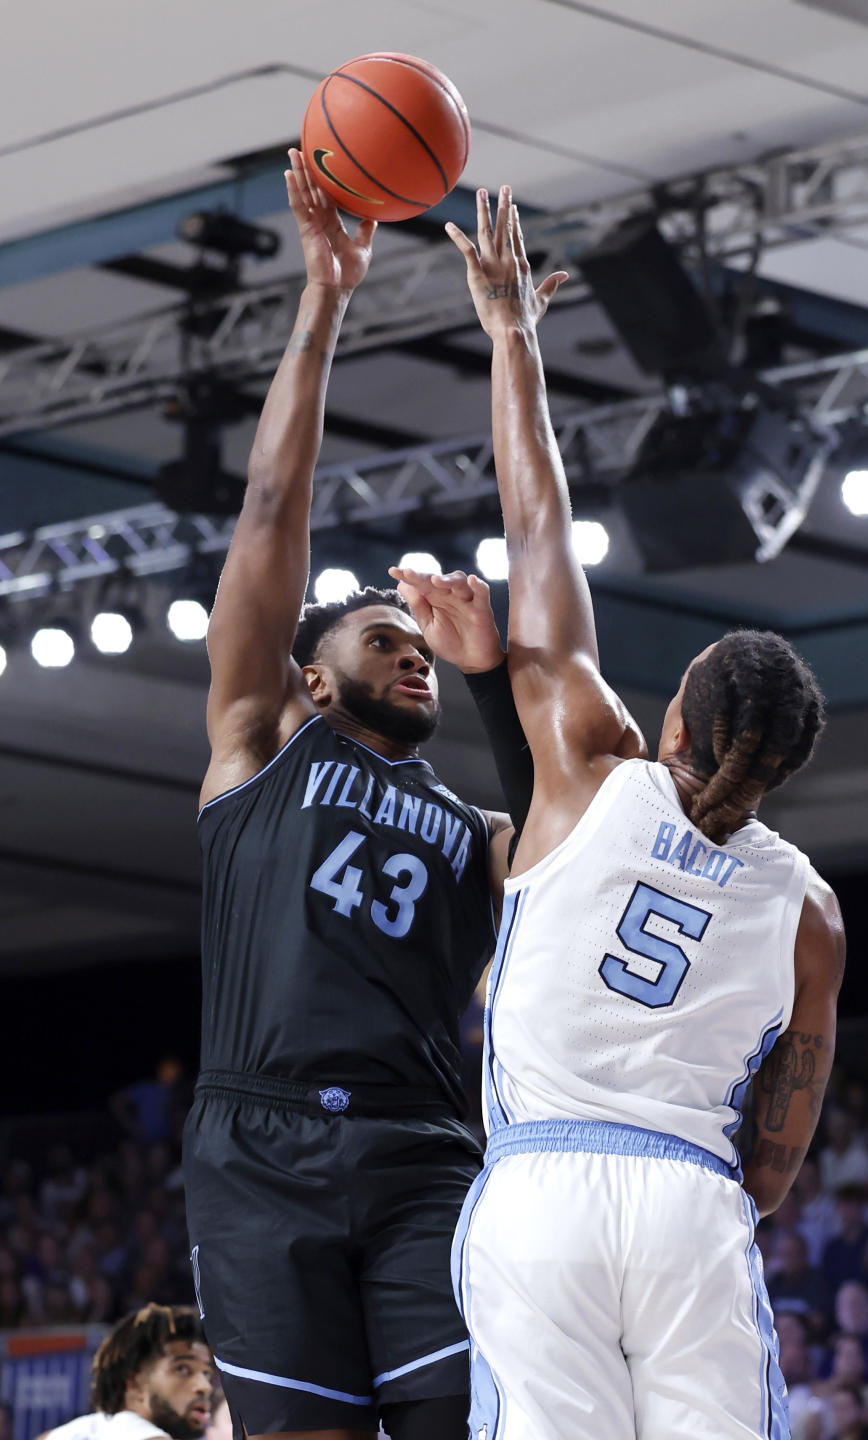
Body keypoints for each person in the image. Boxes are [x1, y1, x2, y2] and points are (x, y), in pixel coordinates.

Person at [441, 184, 846, 1440]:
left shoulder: (583, 767)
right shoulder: (811, 911)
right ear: (779, 768)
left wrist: (514, 336)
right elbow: (775, 1163)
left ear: (671, 722)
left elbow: (537, 531)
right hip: (688, 1202)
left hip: (542, 1195)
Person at [182, 151, 530, 1440]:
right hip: (259, 1151)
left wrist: (492, 673)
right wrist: (324, 297)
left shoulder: (477, 832)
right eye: (381, 634)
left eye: (420, 643)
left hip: (423, 1154)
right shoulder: (264, 738)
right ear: (312, 680)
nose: (411, 646)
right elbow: (273, 506)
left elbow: (570, 802)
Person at [36, 1304, 212, 1440]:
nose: (205, 1387)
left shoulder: (54, 1435)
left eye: (206, 1373)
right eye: (183, 1369)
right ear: (133, 1382)